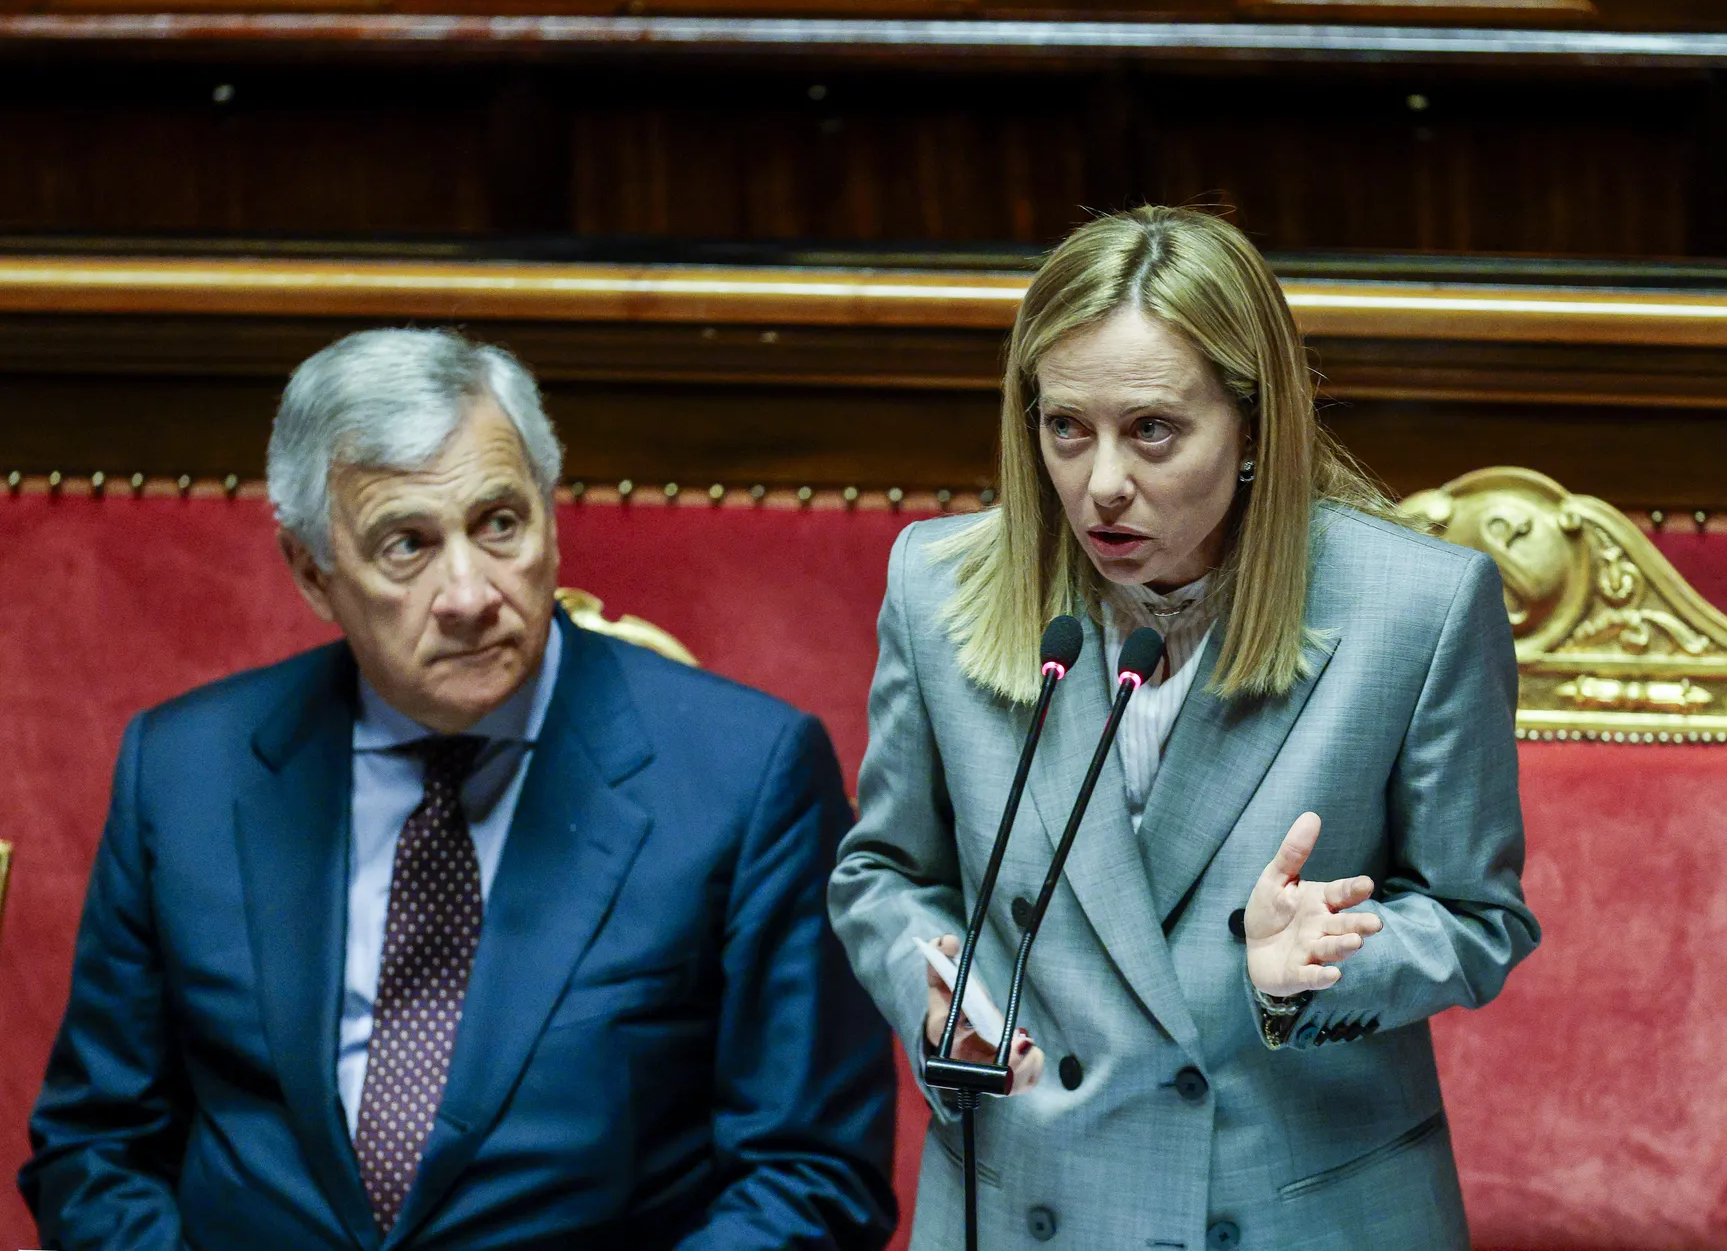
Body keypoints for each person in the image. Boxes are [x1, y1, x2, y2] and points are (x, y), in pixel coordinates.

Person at [21, 329, 897, 1250]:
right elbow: (95, 1146)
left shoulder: (747, 777)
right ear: (314, 572)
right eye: (408, 544)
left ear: (549, 517)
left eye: (499, 523)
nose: (471, 594)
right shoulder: (184, 772)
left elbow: (813, 1173)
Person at [829, 206, 1540, 1249]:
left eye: (1152, 430)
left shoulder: (1415, 609)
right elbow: (883, 873)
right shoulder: (939, 589)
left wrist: (1325, 960)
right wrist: (940, 989)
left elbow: (1480, 918)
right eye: (1066, 428)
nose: (1102, 483)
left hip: (1291, 1212)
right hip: (1029, 1200)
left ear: (1251, 426)